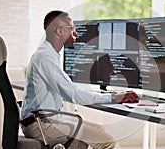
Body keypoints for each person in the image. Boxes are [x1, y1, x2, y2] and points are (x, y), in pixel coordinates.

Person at [20, 10, 139, 149]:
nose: (75, 33)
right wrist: (115, 99)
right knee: (108, 143)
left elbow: (70, 88)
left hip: (47, 120)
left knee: (99, 130)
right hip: (43, 126)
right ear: (59, 31)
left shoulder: (48, 54)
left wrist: (109, 95)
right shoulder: (45, 57)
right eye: (72, 28)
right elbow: (73, 95)